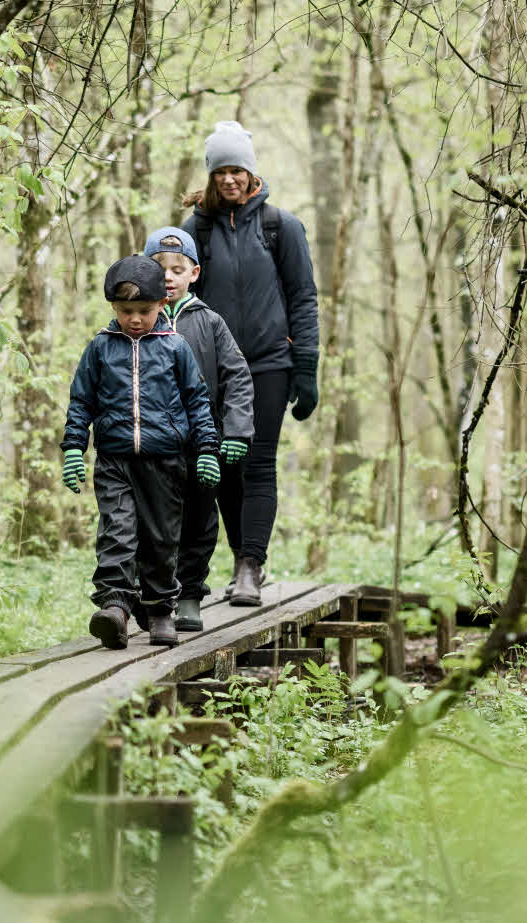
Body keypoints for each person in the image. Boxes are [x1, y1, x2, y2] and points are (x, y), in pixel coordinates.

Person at [180, 121, 320, 605]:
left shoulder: (281, 226)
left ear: (251, 172)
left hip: (268, 365)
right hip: (211, 371)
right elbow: (175, 297)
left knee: (258, 463)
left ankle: (249, 566)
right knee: (221, 464)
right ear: (212, 175)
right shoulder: (195, 230)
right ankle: (242, 556)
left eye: (237, 170)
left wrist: (307, 366)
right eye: (221, 171)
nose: (229, 180)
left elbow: (303, 298)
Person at [61, 255, 221, 650]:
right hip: (114, 459)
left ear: (162, 305)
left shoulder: (176, 348)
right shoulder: (100, 348)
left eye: (144, 311)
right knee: (116, 532)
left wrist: (206, 449)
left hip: (165, 461)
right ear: (113, 308)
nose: (135, 319)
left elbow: (197, 401)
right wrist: (73, 448)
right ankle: (115, 606)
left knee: (161, 538)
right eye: (125, 311)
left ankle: (160, 609)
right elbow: (81, 402)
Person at [139, 225, 254, 631]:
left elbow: (237, 377)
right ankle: (155, 597)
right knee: (154, 526)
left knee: (200, 524)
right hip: (152, 449)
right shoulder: (137, 321)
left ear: (194, 273)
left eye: (177, 268)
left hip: (204, 446)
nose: (168, 276)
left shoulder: (210, 323)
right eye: (159, 268)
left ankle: (190, 595)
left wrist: (237, 430)